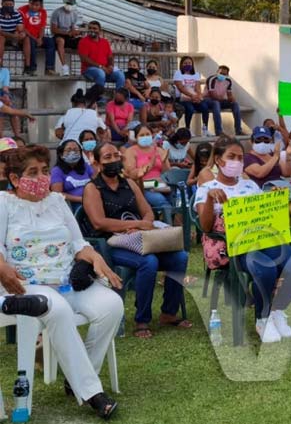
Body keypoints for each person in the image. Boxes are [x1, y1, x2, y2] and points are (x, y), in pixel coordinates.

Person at [0, 145, 122, 419]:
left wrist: (93, 257)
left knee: (111, 305)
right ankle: (92, 392)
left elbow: (79, 243)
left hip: (68, 281)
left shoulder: (57, 201)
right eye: (33, 172)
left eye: (45, 171)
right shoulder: (4, 204)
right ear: (16, 179)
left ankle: (77, 375)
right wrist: (3, 268)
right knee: (58, 310)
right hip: (28, 285)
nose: (42, 177)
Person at [194, 136, 291, 342]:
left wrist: (275, 200)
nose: (237, 162)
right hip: (235, 245)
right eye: (231, 157)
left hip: (264, 238)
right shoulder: (206, 188)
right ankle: (262, 319)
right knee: (266, 268)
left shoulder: (250, 186)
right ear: (219, 160)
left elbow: (265, 215)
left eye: (240, 157)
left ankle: (277, 310)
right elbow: (205, 226)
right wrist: (211, 200)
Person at [82, 142, 190, 339]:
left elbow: (147, 210)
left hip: (141, 240)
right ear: (97, 163)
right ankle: (142, 320)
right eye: (107, 157)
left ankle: (168, 312)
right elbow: (98, 223)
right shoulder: (93, 188)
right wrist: (131, 226)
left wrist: (144, 223)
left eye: (116, 155)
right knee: (149, 262)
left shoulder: (129, 183)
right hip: (111, 244)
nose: (114, 160)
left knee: (180, 257)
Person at [123, 125, 172, 210]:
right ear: (136, 137)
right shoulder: (130, 151)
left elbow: (168, 173)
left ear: (152, 135)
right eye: (142, 135)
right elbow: (131, 175)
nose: (145, 137)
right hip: (143, 185)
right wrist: (150, 164)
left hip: (161, 183)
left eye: (147, 134)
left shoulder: (159, 150)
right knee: (161, 201)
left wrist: (163, 162)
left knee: (177, 197)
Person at [78, 21, 124, 89]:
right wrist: (101, 67)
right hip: (89, 70)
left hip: (104, 69)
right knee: (100, 73)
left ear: (100, 31)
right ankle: (99, 96)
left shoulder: (105, 42)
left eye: (94, 28)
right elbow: (84, 58)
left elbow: (110, 57)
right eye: (90, 28)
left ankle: (119, 97)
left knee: (120, 75)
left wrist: (111, 66)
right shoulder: (83, 41)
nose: (92, 30)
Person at [18, 0, 56, 76]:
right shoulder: (21, 10)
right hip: (27, 37)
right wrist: (36, 39)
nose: (34, 7)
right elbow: (23, 28)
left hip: (38, 37)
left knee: (50, 41)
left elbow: (42, 27)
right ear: (29, 2)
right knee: (30, 42)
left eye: (37, 5)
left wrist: (40, 38)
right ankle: (32, 69)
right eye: (32, 4)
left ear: (40, 5)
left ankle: (49, 68)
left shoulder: (43, 12)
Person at [51, 139, 94, 212]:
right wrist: (81, 199)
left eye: (76, 150)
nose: (72, 152)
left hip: (93, 199)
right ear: (61, 155)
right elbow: (57, 194)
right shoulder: (57, 170)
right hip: (74, 204)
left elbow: (97, 182)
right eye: (68, 150)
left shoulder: (86, 166)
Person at [174, 56, 209, 134]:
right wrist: (192, 96)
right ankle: (188, 129)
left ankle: (205, 129)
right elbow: (181, 88)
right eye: (185, 63)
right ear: (181, 64)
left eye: (189, 63)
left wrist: (199, 96)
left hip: (194, 98)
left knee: (205, 107)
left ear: (192, 64)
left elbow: (197, 88)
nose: (187, 64)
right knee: (190, 109)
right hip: (182, 98)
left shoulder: (196, 74)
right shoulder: (178, 73)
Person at [205, 65, 244, 135]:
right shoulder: (211, 79)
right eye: (220, 73)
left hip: (221, 100)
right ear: (217, 72)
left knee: (235, 104)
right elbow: (212, 95)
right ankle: (219, 131)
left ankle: (238, 130)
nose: (222, 75)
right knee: (216, 104)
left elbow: (229, 94)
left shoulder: (228, 81)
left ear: (227, 75)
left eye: (224, 74)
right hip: (209, 100)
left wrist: (232, 99)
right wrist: (223, 99)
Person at [50, 0, 81, 76]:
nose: (69, 5)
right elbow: (53, 29)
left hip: (69, 35)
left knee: (82, 41)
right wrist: (67, 33)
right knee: (61, 41)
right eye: (67, 3)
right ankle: (64, 66)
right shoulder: (57, 12)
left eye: (71, 4)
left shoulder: (74, 14)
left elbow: (73, 28)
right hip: (58, 35)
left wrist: (75, 32)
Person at [0, 0, 31, 74]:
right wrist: (12, 35)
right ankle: (0, 64)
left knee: (26, 38)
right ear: (2, 4)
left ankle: (27, 66)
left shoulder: (16, 14)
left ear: (13, 4)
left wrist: (17, 33)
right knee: (1, 38)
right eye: (6, 4)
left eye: (10, 4)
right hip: (3, 35)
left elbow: (20, 27)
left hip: (14, 35)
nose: (8, 6)